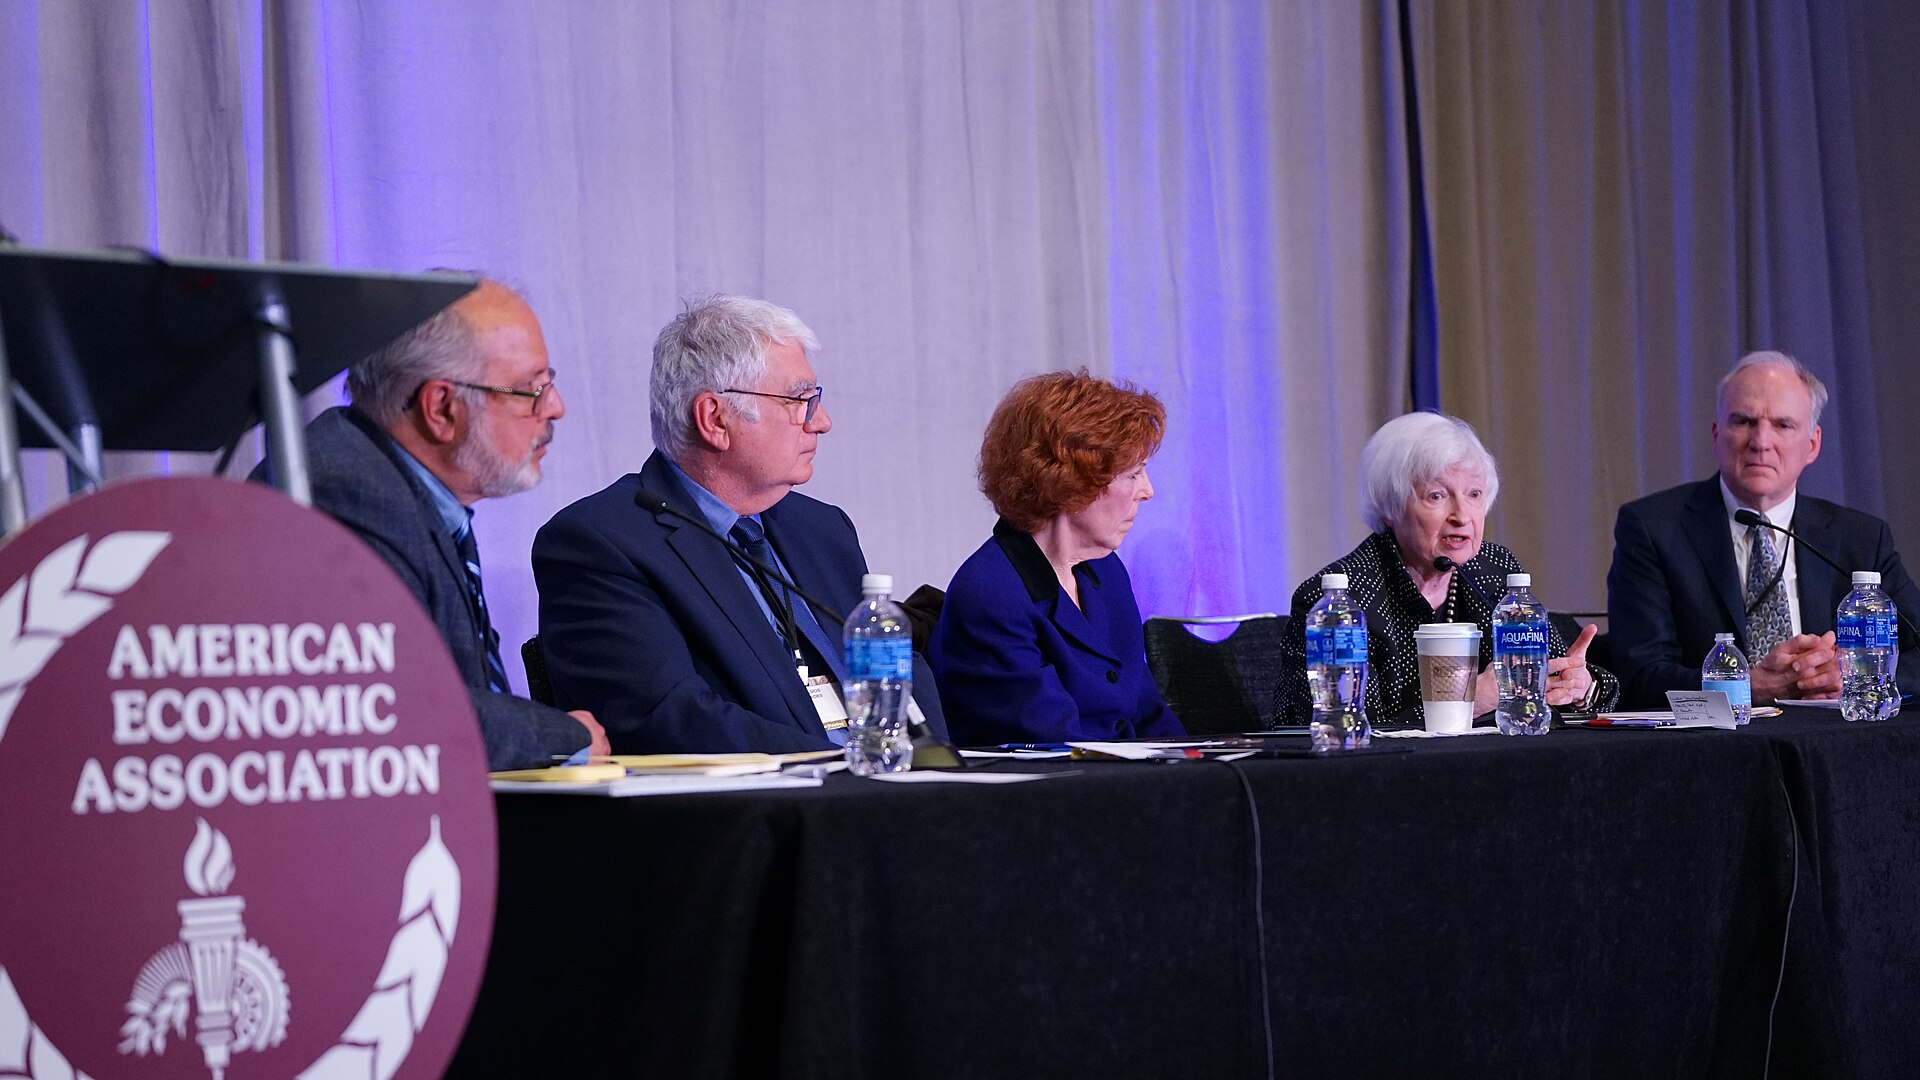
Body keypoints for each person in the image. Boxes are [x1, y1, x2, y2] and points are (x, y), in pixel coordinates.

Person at [532, 295, 949, 753]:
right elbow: (666, 719)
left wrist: (930, 762)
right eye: (799, 400)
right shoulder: (600, 542)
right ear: (715, 419)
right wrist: (846, 767)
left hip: (891, 795)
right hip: (765, 811)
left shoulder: (823, 529)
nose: (821, 422)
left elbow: (898, 667)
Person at [279, 278, 608, 770]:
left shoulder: (402, 483)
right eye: (531, 389)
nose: (555, 407)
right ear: (441, 408)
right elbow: (393, 706)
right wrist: (564, 735)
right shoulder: (345, 494)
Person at [1607, 351, 1920, 707]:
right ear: (1715, 433)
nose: (1760, 442)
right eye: (1743, 421)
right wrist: (1744, 687)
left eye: (1783, 425)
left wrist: (1855, 673)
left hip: (1833, 746)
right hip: (1711, 749)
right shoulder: (1653, 528)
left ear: (1813, 444)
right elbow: (1639, 675)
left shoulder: (1861, 538)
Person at [1276, 412, 1616, 725]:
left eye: (1474, 494)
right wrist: (1470, 700)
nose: (1462, 515)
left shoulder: (1494, 570)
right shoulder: (1341, 601)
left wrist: (1579, 687)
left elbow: (1553, 674)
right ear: (1389, 506)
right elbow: (1349, 727)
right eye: (1437, 496)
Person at [928, 371, 1185, 744]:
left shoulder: (1105, 570)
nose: (1147, 491)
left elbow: (1147, 712)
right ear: (1071, 482)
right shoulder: (991, 592)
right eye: (1133, 474)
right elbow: (1051, 741)